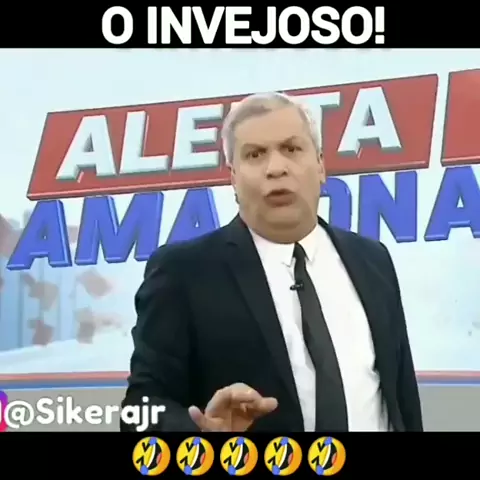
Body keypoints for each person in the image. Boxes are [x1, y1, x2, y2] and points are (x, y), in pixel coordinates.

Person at [121, 92, 423, 432]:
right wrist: (200, 434)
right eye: (255, 154)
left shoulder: (372, 260)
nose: (276, 168)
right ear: (233, 177)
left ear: (321, 165)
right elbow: (140, 410)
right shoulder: (183, 272)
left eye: (292, 149)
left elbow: (402, 398)